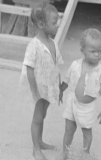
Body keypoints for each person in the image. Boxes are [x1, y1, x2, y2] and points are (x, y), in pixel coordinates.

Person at [57, 28, 101, 160]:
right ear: (83, 51)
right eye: (93, 52)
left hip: (87, 108)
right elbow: (67, 80)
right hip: (72, 102)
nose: (97, 55)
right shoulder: (75, 65)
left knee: (87, 131)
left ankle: (86, 152)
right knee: (69, 129)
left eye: (100, 51)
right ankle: (65, 151)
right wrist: (60, 90)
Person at [19, 2, 63, 160]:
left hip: (49, 86)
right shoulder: (34, 45)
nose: (58, 25)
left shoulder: (53, 43)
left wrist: (59, 88)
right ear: (41, 24)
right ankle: (36, 149)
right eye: (54, 22)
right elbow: (29, 68)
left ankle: (40, 141)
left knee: (43, 114)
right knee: (37, 117)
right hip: (38, 88)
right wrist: (34, 90)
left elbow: (56, 65)